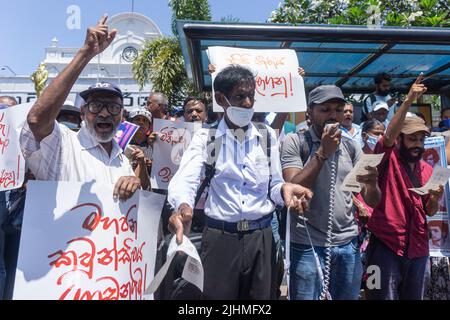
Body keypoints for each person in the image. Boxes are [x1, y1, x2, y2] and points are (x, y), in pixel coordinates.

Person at [168, 65, 313, 300]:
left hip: (261, 237)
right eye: (239, 97)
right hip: (220, 240)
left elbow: (274, 186)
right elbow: (185, 180)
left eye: (251, 96)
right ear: (220, 99)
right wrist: (183, 206)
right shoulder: (208, 138)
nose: (247, 103)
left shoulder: (266, 137)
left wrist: (285, 189)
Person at [20, 15, 140, 201]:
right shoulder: (63, 146)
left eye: (113, 108)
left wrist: (133, 183)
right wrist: (86, 53)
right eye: (96, 106)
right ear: (83, 112)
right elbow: (36, 120)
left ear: (122, 115)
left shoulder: (122, 160)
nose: (104, 113)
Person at [281, 84, 381, 300]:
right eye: (325, 110)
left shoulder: (351, 146)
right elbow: (293, 190)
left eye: (337, 109)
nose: (333, 115)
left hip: (347, 243)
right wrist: (322, 152)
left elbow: (373, 200)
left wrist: (372, 184)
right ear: (310, 112)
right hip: (307, 244)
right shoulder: (295, 141)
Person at [365, 74, 444, 300]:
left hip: (419, 249)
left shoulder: (428, 170)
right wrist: (408, 100)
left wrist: (435, 198)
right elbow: (387, 135)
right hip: (385, 247)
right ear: (400, 139)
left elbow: (429, 211)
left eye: (421, 139)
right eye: (412, 139)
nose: (418, 144)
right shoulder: (385, 158)